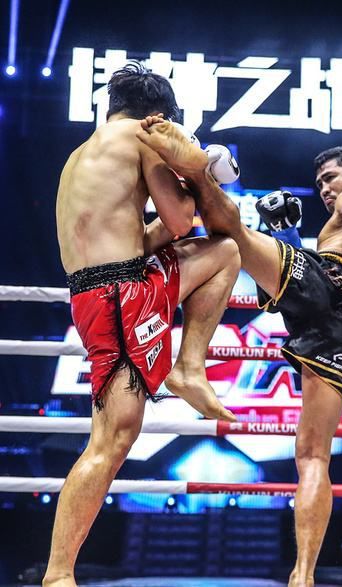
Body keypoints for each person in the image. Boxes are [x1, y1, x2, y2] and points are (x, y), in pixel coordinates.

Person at [135, 122, 342, 587]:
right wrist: (289, 235)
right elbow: (338, 290)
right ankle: (302, 576)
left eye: (330, 177)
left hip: (330, 289)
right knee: (312, 457)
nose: (325, 188)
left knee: (230, 236)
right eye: (319, 182)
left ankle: (201, 168)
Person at [44, 63, 239, 587]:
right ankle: (58, 575)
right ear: (159, 115)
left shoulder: (81, 155)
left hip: (93, 293)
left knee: (109, 437)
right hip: (120, 295)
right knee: (112, 438)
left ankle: (59, 573)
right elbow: (179, 223)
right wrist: (195, 177)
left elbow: (130, 239)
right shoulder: (145, 136)